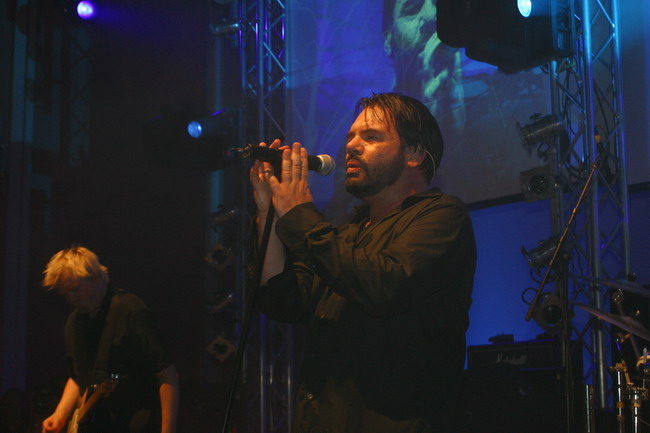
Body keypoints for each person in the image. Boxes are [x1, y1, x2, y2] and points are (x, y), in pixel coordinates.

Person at [250, 92, 476, 433]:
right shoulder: (347, 234)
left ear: (414, 154)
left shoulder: (443, 215)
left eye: (371, 137)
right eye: (350, 137)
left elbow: (384, 285)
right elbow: (284, 300)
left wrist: (300, 213)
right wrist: (268, 213)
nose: (352, 146)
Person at [40, 246, 179, 433]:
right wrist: (59, 415)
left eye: (75, 289)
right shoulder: (75, 323)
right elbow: (78, 377)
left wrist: (167, 430)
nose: (71, 299)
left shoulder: (130, 309)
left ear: (96, 277)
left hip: (138, 422)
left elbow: (167, 373)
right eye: (65, 294)